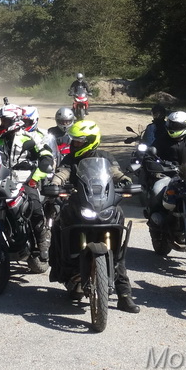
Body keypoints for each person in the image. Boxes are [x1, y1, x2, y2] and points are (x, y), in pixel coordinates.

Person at [45, 119, 140, 313]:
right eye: (74, 140)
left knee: (118, 245)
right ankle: (62, 267)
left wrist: (125, 180)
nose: (74, 144)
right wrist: (55, 183)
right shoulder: (70, 159)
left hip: (103, 203)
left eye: (78, 141)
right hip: (79, 203)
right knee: (58, 222)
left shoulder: (105, 157)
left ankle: (124, 295)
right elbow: (63, 172)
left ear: (90, 141)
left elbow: (114, 172)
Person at [0, 104, 55, 260]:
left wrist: (35, 178)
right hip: (4, 181)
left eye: (5, 121)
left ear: (15, 120)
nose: (2, 124)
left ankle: (42, 240)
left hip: (25, 181)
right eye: (1, 120)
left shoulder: (30, 138)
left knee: (34, 205)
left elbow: (47, 157)